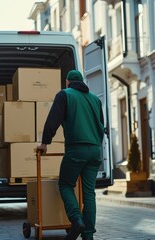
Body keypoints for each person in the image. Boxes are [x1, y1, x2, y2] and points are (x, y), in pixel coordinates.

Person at [37, 70, 104, 240]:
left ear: (67, 82)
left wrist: (44, 143)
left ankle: (76, 220)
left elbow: (53, 120)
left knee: (66, 185)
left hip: (77, 149)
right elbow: (101, 125)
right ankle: (88, 236)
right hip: (95, 150)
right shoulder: (95, 100)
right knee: (89, 193)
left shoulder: (65, 95)